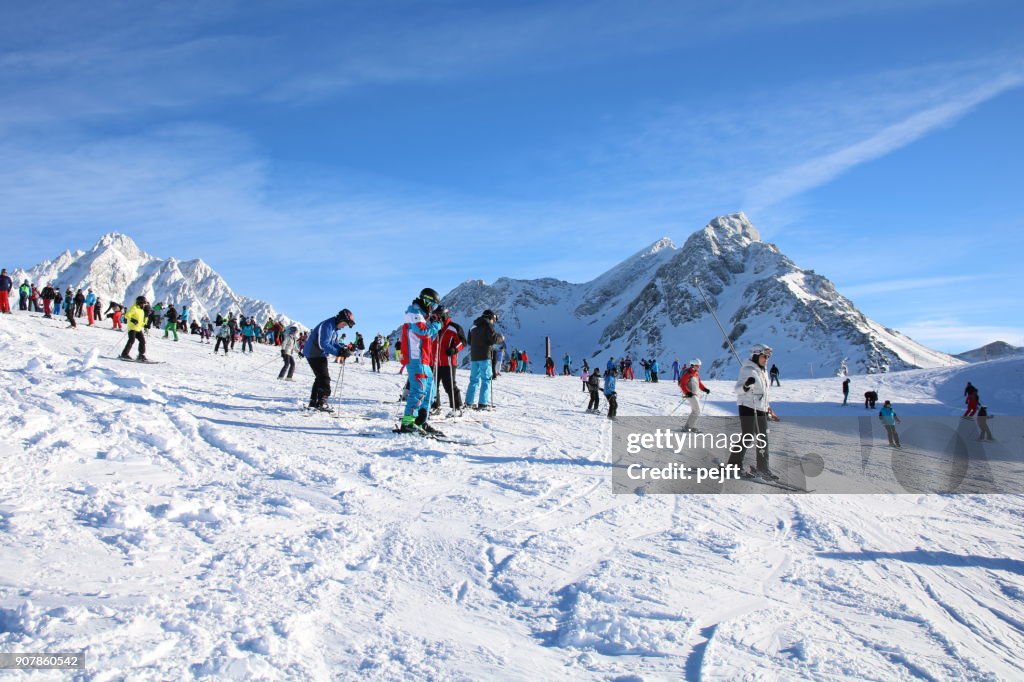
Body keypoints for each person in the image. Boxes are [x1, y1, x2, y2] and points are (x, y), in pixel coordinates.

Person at [727, 343, 780, 480]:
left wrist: (768, 409)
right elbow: (737, 389)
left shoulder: (762, 371)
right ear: (756, 355)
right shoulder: (748, 370)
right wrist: (746, 386)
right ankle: (733, 466)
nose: (766, 359)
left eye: (768, 356)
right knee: (748, 436)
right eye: (764, 356)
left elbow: (764, 393)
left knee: (763, 439)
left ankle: (763, 469)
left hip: (760, 408)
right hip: (747, 407)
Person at [399, 288, 443, 433]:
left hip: (423, 359)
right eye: (433, 305)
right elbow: (423, 332)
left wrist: (435, 321)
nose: (433, 308)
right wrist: (437, 325)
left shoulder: (422, 315)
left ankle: (421, 421)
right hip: (415, 358)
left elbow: (429, 336)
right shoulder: (414, 313)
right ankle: (408, 422)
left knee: (430, 391)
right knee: (419, 390)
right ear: (427, 301)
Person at [304, 308, 356, 412]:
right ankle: (322, 402)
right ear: (340, 319)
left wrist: (342, 349)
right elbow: (323, 344)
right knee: (324, 378)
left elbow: (334, 343)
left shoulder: (334, 328)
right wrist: (338, 353)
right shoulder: (327, 325)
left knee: (319, 378)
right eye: (344, 324)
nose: (343, 327)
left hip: (319, 354)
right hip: (314, 353)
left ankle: (313, 402)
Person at [465, 309, 503, 412]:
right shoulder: (488, 326)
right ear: (490, 317)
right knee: (486, 379)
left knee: (474, 380)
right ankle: (483, 403)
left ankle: (469, 402)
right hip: (485, 356)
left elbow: (469, 341)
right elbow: (494, 339)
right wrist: (501, 338)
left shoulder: (473, 326)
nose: (493, 322)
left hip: (474, 357)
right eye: (494, 320)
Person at [432, 309, 466, 414]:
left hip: (448, 362)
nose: (435, 318)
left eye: (437, 316)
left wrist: (454, 349)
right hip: (434, 362)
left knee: (449, 385)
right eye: (434, 316)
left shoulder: (454, 327)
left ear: (443, 316)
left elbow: (462, 342)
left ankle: (457, 408)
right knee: (433, 386)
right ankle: (435, 407)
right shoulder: (435, 327)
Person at [679, 359, 710, 432]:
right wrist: (687, 392)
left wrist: (704, 389)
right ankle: (687, 428)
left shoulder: (696, 373)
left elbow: (699, 383)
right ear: (692, 365)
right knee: (697, 411)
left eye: (699, 366)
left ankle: (690, 426)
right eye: (697, 366)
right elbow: (682, 384)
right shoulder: (688, 373)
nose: (698, 367)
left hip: (695, 394)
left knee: (695, 411)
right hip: (690, 394)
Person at [120, 296, 150, 361]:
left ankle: (141, 355)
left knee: (142, 341)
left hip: (138, 329)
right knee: (131, 340)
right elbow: (127, 315)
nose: (144, 305)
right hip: (132, 328)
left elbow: (140, 321)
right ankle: (124, 354)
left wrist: (145, 325)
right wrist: (132, 320)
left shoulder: (141, 310)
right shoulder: (134, 308)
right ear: (140, 303)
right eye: (144, 303)